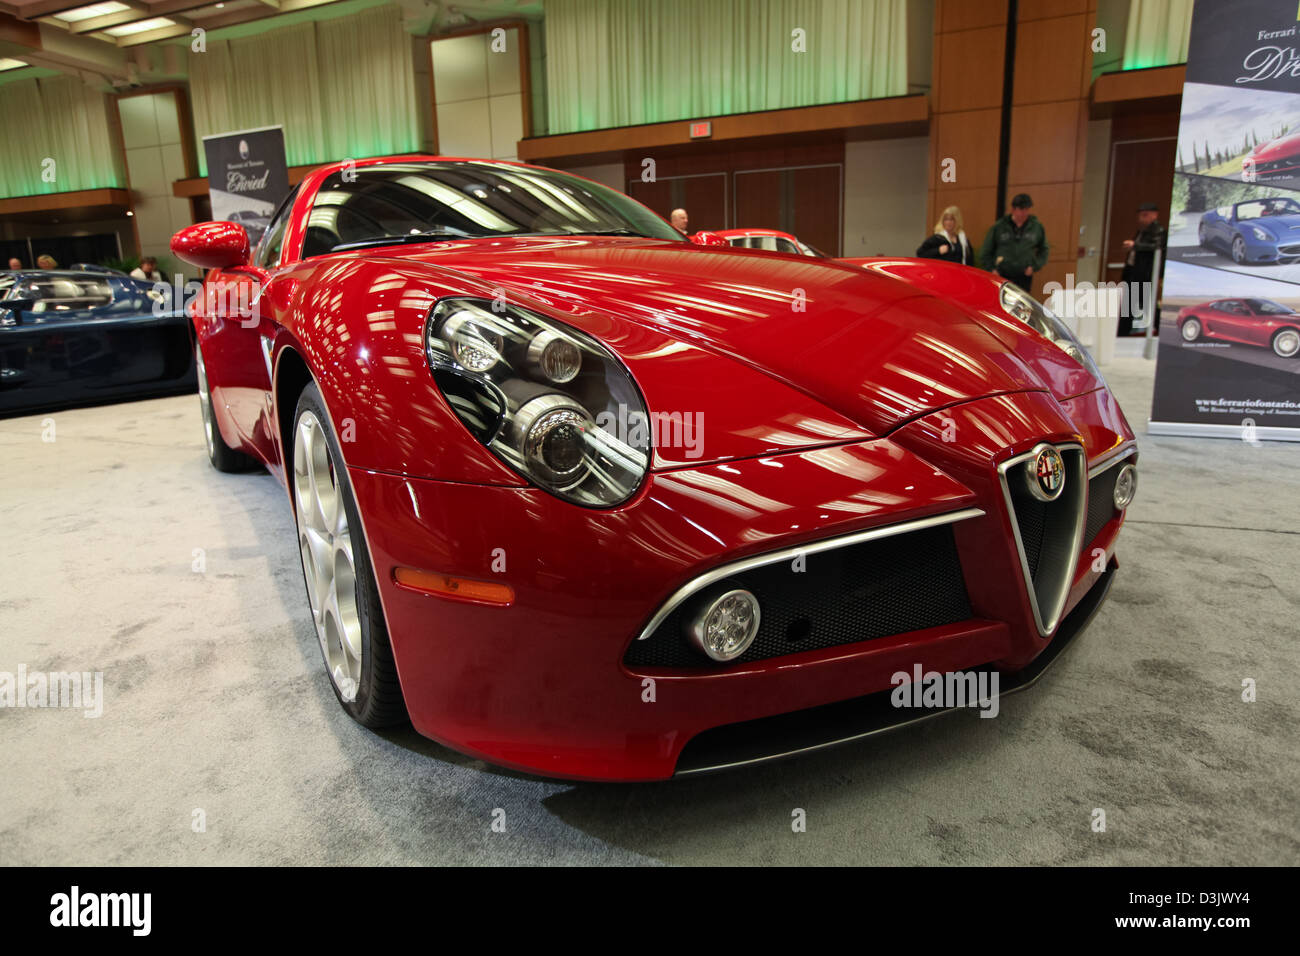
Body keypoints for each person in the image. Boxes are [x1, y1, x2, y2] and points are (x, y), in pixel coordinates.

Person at [978, 193, 1048, 292]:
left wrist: (1034, 266)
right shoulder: (999, 227)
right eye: (1021, 209)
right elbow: (986, 251)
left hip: (1024, 276)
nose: (1024, 213)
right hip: (1002, 275)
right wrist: (992, 269)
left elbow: (1044, 249)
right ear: (1013, 210)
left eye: (1027, 209)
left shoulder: (1036, 227)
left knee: (1022, 306)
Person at [1119, 202, 1166, 335]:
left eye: (1145, 215)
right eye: (1140, 215)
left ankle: (1160, 328)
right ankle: (1122, 333)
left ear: (1154, 215)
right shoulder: (1142, 231)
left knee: (1146, 305)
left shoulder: (1158, 231)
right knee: (1129, 305)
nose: (1141, 219)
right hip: (1133, 273)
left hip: (1144, 274)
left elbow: (1156, 247)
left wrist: (1135, 245)